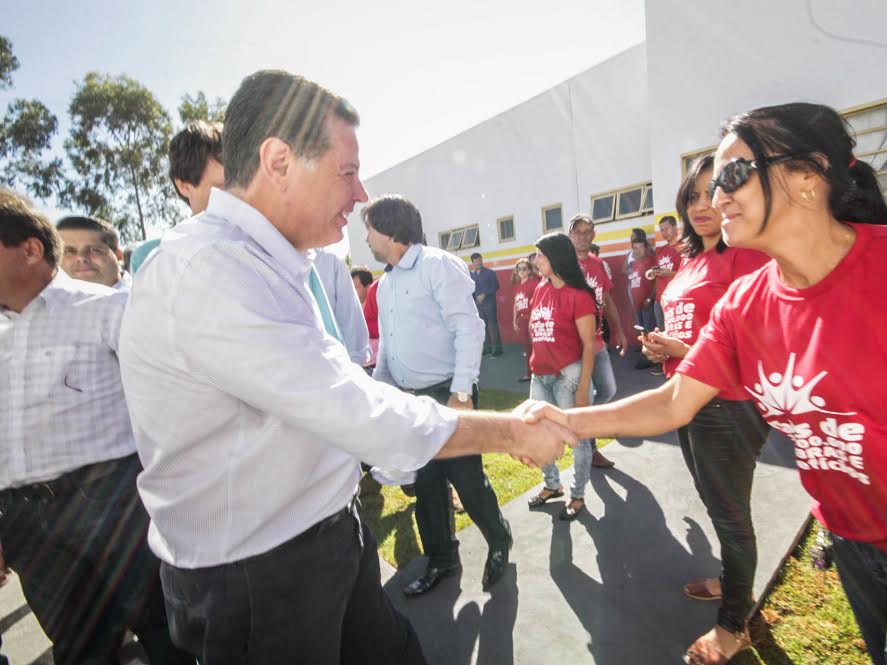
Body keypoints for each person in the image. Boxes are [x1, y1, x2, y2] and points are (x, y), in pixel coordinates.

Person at [118, 70, 572, 664]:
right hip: (261, 577)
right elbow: (350, 408)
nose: (360, 196)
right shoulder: (210, 271)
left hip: (323, 535)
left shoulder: (265, 260)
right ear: (278, 160)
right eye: (348, 171)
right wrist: (511, 429)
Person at [522, 102, 887, 665]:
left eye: (732, 175)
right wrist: (563, 422)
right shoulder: (747, 304)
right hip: (854, 546)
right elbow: (675, 400)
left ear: (806, 175)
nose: (717, 197)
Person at [0, 190, 192, 665]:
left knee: (168, 636)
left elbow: (174, 407)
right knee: (80, 652)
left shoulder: (108, 310)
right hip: (27, 523)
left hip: (114, 506)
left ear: (29, 249)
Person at [640, 155, 770, 661]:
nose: (700, 206)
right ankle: (732, 579)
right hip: (687, 400)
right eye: (690, 197)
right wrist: (662, 348)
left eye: (709, 193)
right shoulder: (690, 262)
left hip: (729, 405)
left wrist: (680, 351)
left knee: (732, 513)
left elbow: (755, 349)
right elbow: (692, 334)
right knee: (718, 504)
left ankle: (735, 623)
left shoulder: (749, 258)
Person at [365, 194, 513, 596]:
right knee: (427, 486)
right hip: (412, 401)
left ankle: (499, 539)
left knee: (466, 479)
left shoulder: (437, 265)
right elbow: (390, 350)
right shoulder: (386, 285)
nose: (366, 239)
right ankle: (443, 560)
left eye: (370, 229)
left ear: (391, 229)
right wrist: (380, 393)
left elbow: (470, 329)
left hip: (450, 394)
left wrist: (461, 394)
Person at [524, 232, 597, 520]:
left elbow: (590, 344)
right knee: (536, 434)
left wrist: (583, 388)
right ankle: (552, 486)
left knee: (576, 438)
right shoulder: (540, 288)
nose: (535, 260)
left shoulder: (579, 296)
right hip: (539, 375)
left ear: (555, 258)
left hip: (568, 376)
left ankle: (577, 495)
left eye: (540, 255)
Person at [130, 120, 225, 273]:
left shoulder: (267, 246)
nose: (240, 197)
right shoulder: (148, 260)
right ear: (184, 186)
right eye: (224, 188)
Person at [569, 214, 625, 469]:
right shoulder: (564, 265)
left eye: (587, 231)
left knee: (608, 390)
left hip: (597, 341)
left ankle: (582, 427)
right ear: (570, 235)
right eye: (578, 232)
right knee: (586, 398)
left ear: (593, 235)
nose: (582, 236)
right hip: (574, 345)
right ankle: (589, 449)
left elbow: (608, 299)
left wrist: (620, 330)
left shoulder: (599, 265)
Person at [56, 215, 130, 289]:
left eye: (94, 250)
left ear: (118, 255)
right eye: (68, 251)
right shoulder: (49, 298)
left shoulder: (139, 297)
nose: (80, 258)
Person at [628, 230, 657, 369]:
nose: (637, 251)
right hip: (637, 305)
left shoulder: (651, 260)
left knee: (649, 330)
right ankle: (647, 355)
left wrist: (650, 299)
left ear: (645, 247)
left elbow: (657, 282)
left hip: (647, 303)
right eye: (634, 248)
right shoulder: (633, 263)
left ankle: (652, 359)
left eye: (640, 247)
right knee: (642, 330)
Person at [648, 215, 681, 331]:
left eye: (666, 228)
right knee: (663, 334)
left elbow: (688, 274)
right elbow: (659, 273)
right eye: (661, 230)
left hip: (677, 299)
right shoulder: (661, 250)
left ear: (675, 228)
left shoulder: (684, 248)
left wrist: (668, 273)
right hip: (659, 300)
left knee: (676, 334)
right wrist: (654, 273)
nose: (664, 232)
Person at [511, 257, 540, 382]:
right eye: (519, 269)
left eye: (524, 269)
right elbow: (516, 304)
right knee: (527, 348)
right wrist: (514, 320)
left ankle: (539, 372)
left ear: (529, 271)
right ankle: (529, 373)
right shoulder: (517, 287)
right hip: (522, 320)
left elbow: (538, 302)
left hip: (532, 319)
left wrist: (533, 320)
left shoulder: (534, 284)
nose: (521, 271)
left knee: (537, 347)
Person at [470, 251, 503, 357]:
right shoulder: (472, 275)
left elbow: (496, 286)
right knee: (482, 326)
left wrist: (485, 294)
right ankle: (487, 348)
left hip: (489, 303)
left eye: (480, 260)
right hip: (478, 306)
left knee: (492, 325)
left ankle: (498, 349)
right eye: (476, 261)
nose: (479, 263)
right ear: (473, 263)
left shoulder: (490, 273)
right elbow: (472, 290)